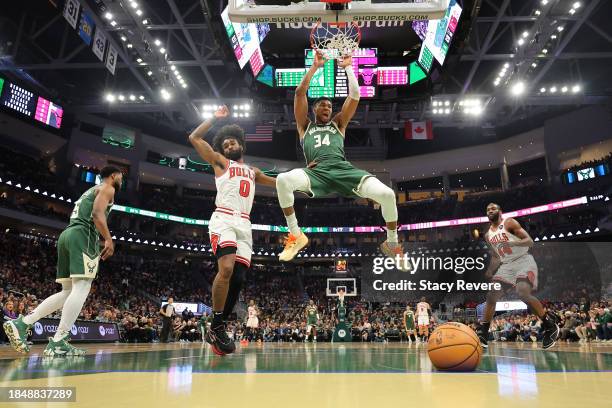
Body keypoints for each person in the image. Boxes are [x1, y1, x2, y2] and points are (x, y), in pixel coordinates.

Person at [275, 51, 407, 266]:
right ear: (314, 109)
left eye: (329, 106)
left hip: (343, 170)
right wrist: (315, 67)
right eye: (322, 105)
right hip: (315, 173)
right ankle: (296, 234)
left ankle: (391, 243)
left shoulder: (339, 124)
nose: (327, 107)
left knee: (388, 194)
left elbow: (354, 96)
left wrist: (348, 67)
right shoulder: (305, 126)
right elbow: (300, 94)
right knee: (283, 180)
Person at [3, 166, 121, 356]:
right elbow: (97, 214)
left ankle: (22, 323)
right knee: (82, 287)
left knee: (68, 292)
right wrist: (108, 238)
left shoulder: (90, 190)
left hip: (67, 234)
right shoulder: (108, 187)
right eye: (121, 177)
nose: (121, 181)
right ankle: (59, 340)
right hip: (83, 235)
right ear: (114, 176)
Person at [188, 105, 276, 355]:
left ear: (240, 145)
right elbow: (194, 138)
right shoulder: (220, 162)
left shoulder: (254, 171)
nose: (228, 146)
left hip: (245, 224)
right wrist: (214, 118)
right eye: (224, 144)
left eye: (232, 143)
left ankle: (218, 326)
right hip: (224, 218)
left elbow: (280, 183)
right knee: (226, 268)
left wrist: (306, 176)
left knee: (238, 279)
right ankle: (216, 322)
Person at [475, 203, 559, 350]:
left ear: (500, 211)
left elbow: (529, 241)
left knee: (522, 293)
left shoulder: (509, 222)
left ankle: (549, 325)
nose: (490, 211)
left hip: (523, 261)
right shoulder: (488, 235)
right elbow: (496, 256)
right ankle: (483, 333)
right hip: (506, 266)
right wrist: (489, 271)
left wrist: (512, 241)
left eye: (493, 209)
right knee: (491, 296)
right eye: (488, 209)